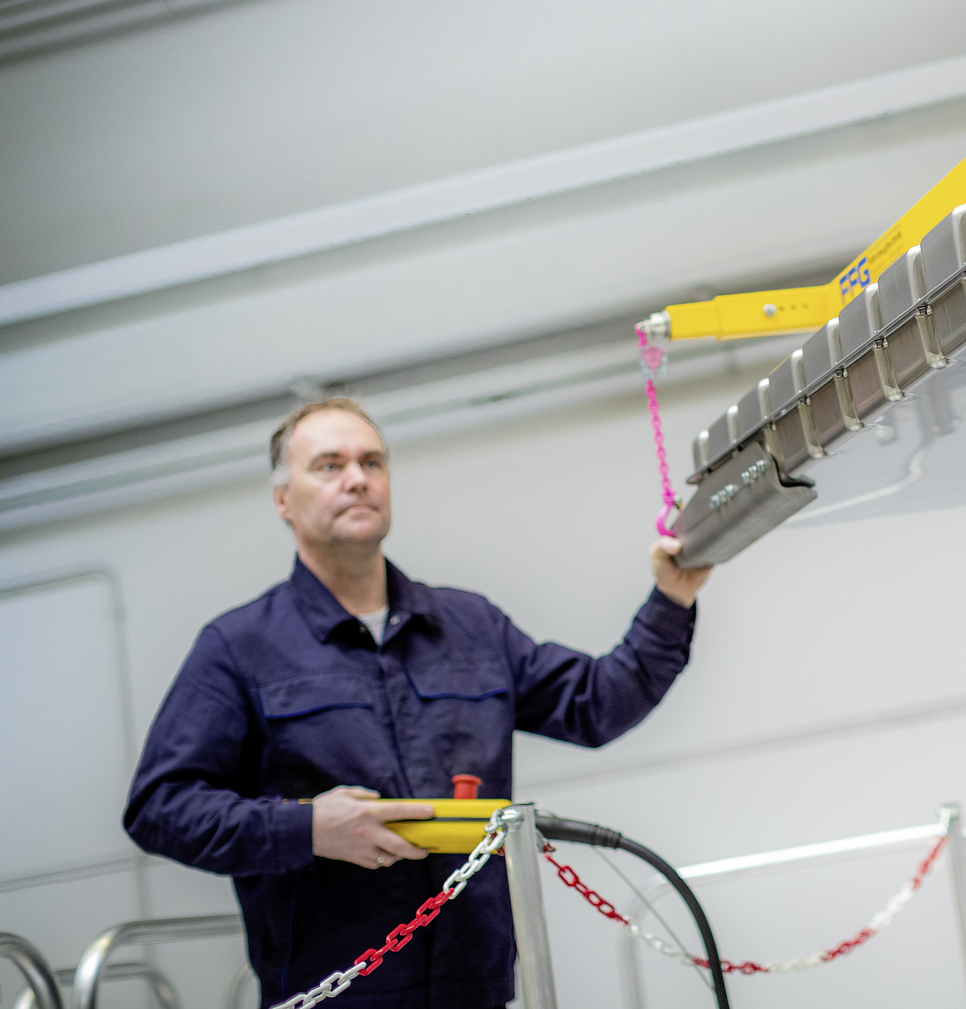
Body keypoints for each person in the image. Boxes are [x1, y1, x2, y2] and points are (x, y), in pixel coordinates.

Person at [124, 397, 710, 1008]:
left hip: (476, 991)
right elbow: (160, 808)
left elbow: (597, 704)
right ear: (282, 501)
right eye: (329, 465)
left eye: (372, 462)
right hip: (339, 996)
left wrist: (671, 599)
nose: (357, 478)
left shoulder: (468, 625)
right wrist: (306, 828)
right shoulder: (240, 648)